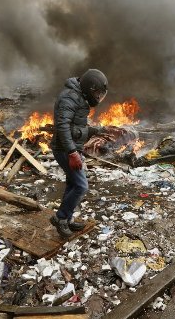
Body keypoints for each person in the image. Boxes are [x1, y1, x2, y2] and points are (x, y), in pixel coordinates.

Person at [49, 69, 108, 238]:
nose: (98, 97)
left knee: (72, 184)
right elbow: (63, 127)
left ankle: (67, 219)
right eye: (97, 93)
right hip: (65, 149)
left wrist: (96, 130)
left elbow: (77, 126)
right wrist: (73, 152)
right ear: (90, 88)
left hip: (72, 148)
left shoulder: (79, 96)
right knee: (81, 185)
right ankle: (60, 218)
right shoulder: (69, 98)